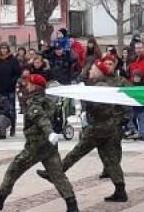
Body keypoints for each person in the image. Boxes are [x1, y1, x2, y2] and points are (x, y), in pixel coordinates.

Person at [0, 74, 81, 212]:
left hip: (36, 145)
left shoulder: (34, 101)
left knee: (14, 168)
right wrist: (51, 134)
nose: (27, 85)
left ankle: (0, 199)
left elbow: (41, 119)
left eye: (29, 84)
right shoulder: (49, 100)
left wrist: (50, 132)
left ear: (35, 86)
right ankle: (72, 206)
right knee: (58, 175)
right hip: (49, 146)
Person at [37, 60, 130, 201]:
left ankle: (54, 173)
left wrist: (84, 99)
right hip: (109, 127)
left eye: (92, 69)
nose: (90, 71)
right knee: (111, 159)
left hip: (98, 127)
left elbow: (96, 107)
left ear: (99, 72)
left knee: (76, 152)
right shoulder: (104, 85)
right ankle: (120, 190)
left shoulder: (99, 87)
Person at [0, 42, 21, 138]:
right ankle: (1, 129)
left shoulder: (13, 60)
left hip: (10, 88)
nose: (3, 50)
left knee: (12, 109)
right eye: (1, 48)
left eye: (5, 48)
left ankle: (13, 128)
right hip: (0, 89)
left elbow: (18, 73)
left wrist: (12, 82)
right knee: (0, 110)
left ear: (8, 49)